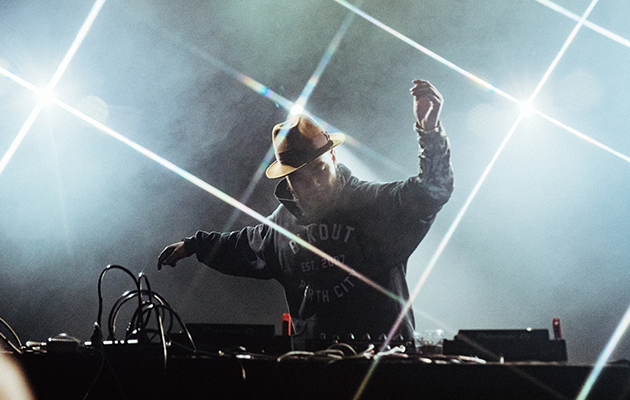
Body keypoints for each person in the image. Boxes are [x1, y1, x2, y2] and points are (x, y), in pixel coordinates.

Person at [158, 79, 453, 346]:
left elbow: (432, 190)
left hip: (385, 370)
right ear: (287, 179)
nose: (312, 184)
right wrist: (193, 245)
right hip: (312, 371)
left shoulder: (374, 204)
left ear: (334, 157)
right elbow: (239, 245)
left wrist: (429, 132)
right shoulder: (280, 227)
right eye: (299, 177)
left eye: (319, 170)